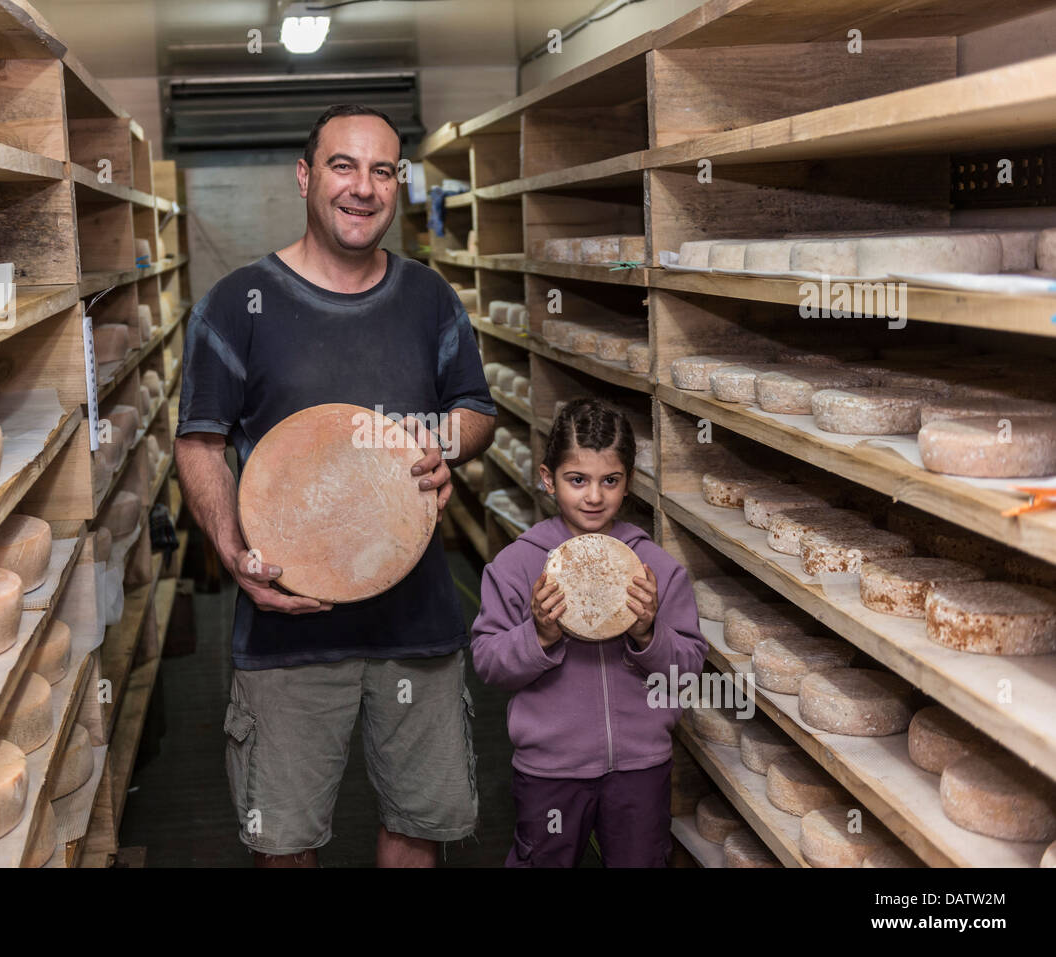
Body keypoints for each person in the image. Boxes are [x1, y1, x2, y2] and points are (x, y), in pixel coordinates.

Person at [174, 103, 497, 867]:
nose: (363, 187)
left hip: (416, 622)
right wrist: (231, 550)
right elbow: (200, 442)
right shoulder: (236, 303)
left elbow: (476, 410)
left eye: (382, 169)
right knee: (283, 839)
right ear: (305, 176)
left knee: (418, 825)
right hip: (289, 622)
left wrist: (442, 443)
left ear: (397, 184)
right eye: (342, 166)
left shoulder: (430, 299)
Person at [470, 398, 707, 867]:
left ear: (628, 483)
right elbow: (487, 662)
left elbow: (689, 666)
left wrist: (647, 634)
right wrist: (538, 635)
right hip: (550, 769)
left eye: (610, 481)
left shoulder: (655, 567)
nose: (593, 497)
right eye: (577, 480)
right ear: (547, 478)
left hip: (641, 767)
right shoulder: (518, 565)